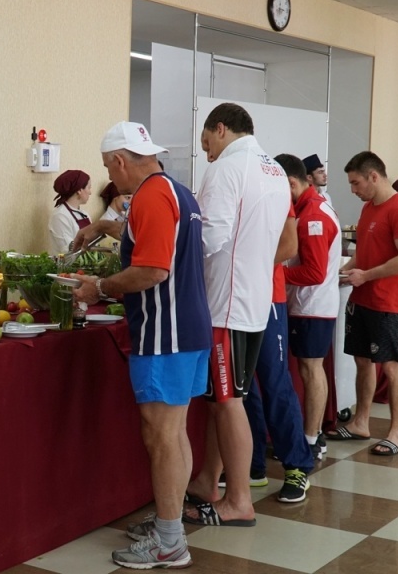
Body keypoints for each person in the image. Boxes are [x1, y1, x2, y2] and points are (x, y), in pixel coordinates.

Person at [71, 121, 210, 569]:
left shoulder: (151, 195)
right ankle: (171, 524)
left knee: (162, 436)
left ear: (119, 161)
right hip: (189, 328)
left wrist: (100, 287)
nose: (113, 179)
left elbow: (152, 271)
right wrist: (106, 226)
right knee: (176, 432)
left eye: (110, 170)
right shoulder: (177, 190)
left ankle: (169, 542)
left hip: (163, 333)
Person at [182, 102, 290, 527]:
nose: (207, 152)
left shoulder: (228, 167)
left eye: (207, 142)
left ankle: (239, 500)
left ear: (221, 130)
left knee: (229, 402)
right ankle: (210, 478)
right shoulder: (274, 169)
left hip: (225, 303)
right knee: (220, 399)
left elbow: (210, 235)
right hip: (254, 299)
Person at [329, 151, 398, 457]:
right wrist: (343, 271)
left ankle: (396, 433)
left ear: (374, 177)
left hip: (389, 302)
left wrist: (365, 275)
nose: (353, 190)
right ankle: (361, 422)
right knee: (361, 360)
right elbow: (364, 251)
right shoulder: (368, 208)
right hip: (363, 298)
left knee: (391, 367)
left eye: (356, 183)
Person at [276, 153, 342, 462]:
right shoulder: (306, 207)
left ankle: (312, 438)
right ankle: (311, 435)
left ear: (291, 182)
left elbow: (314, 272)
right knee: (308, 369)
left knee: (312, 370)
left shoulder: (314, 215)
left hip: (312, 306)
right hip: (308, 305)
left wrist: (274, 273)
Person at [47, 169, 91, 254]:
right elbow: (68, 250)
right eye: (89, 187)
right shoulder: (60, 216)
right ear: (79, 190)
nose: (90, 192)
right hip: (66, 265)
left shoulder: (84, 214)